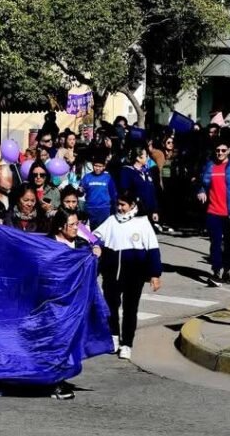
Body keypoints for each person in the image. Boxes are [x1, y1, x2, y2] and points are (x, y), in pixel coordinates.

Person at [93, 190, 162, 361]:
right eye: (118, 204)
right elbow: (95, 236)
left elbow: (153, 250)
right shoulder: (111, 220)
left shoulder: (143, 223)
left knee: (130, 310)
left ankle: (127, 344)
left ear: (132, 205)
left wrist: (155, 274)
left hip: (134, 274)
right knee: (110, 306)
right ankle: (114, 337)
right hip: (112, 273)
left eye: (123, 205)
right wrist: (97, 245)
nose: (120, 208)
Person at [44, 207, 101, 400]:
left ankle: (60, 378)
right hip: (52, 305)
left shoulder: (81, 246)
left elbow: (90, 272)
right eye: (73, 224)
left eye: (78, 224)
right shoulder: (48, 244)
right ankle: (54, 383)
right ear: (61, 226)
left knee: (69, 344)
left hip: (74, 306)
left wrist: (95, 255)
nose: (77, 228)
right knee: (55, 344)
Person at [196, 138, 230, 286]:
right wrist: (201, 191)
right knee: (215, 243)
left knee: (229, 244)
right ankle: (216, 271)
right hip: (213, 211)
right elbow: (202, 183)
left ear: (228, 151)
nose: (220, 153)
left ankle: (227, 270)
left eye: (223, 150)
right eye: (217, 151)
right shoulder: (210, 166)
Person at [79, 153, 116, 227]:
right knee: (91, 232)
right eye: (96, 165)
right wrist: (80, 191)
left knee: (103, 231)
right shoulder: (87, 177)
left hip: (104, 209)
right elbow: (81, 193)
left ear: (104, 167)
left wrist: (114, 208)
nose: (98, 168)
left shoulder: (108, 178)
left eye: (100, 166)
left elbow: (113, 195)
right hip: (90, 209)